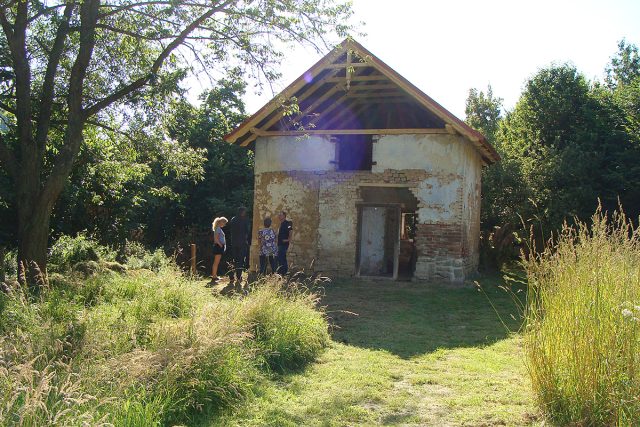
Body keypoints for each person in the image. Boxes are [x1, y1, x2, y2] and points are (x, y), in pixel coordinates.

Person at [228, 206, 250, 282]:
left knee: (233, 260)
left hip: (234, 243)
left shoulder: (233, 219)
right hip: (242, 243)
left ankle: (231, 277)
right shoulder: (245, 220)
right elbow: (247, 231)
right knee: (240, 260)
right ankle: (238, 276)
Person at [211, 216, 228, 282]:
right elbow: (216, 239)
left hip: (219, 246)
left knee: (216, 262)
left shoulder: (218, 228)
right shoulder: (218, 229)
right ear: (221, 222)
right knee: (216, 262)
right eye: (224, 223)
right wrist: (221, 245)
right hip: (218, 246)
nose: (225, 224)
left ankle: (215, 276)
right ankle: (214, 277)